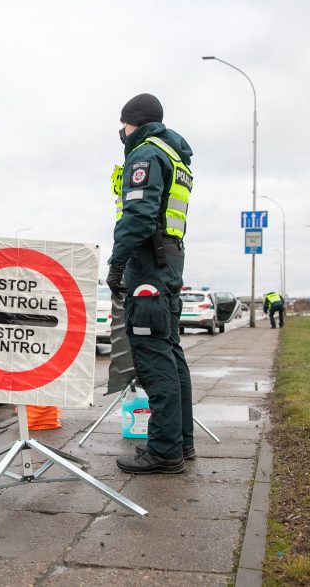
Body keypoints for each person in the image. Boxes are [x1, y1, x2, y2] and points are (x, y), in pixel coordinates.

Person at [108, 93, 195, 475]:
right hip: (169, 259)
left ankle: (163, 451)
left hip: (149, 262)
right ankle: (181, 442)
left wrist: (117, 262)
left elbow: (140, 215)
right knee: (171, 352)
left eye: (123, 125)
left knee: (153, 356)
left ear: (134, 123)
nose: (121, 132)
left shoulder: (145, 153)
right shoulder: (175, 156)